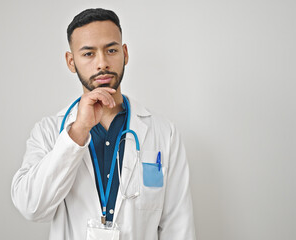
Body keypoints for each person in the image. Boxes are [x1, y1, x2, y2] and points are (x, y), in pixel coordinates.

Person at [11, 8, 196, 240]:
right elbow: (31, 207)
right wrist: (77, 131)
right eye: (88, 54)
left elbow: (178, 227)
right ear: (71, 61)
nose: (102, 63)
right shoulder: (48, 131)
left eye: (111, 50)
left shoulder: (164, 133)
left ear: (125, 53)